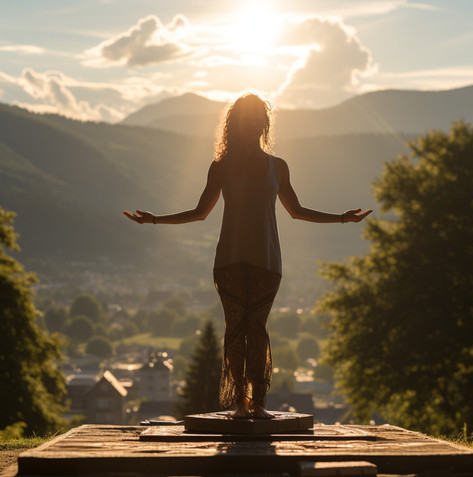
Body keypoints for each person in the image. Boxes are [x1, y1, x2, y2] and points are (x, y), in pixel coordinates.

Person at [124, 93, 372, 419]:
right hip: (228, 261)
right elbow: (200, 213)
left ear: (264, 123)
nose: (253, 123)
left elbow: (296, 211)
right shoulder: (221, 167)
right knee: (235, 329)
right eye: (247, 117)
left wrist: (342, 217)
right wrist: (155, 219)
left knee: (257, 328)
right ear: (236, 124)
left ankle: (259, 403)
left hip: (268, 262)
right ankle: (240, 403)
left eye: (258, 117)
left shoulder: (278, 167)